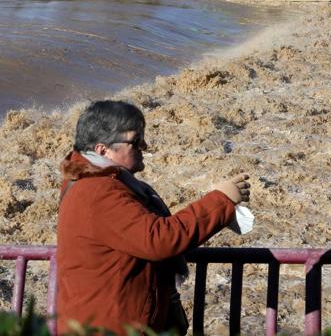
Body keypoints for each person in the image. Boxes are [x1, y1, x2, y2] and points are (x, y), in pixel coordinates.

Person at [56, 100, 250, 335]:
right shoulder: (99, 191)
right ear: (102, 150)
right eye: (136, 142)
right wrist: (221, 201)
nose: (144, 146)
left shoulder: (96, 181)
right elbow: (159, 239)